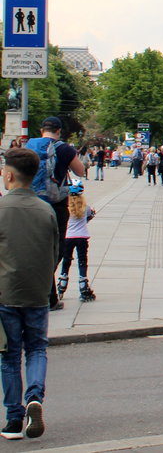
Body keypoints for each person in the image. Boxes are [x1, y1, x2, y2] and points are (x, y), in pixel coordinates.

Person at [0, 147, 59, 440]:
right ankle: (35, 398)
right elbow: (54, 253)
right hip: (36, 293)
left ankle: (13, 418)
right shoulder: (46, 210)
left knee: (9, 356)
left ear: (8, 175)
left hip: (5, 294)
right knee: (36, 349)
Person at [25, 117, 84, 311]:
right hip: (57, 205)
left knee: (33, 246)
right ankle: (44, 292)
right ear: (59, 131)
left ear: (42, 130)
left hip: (31, 203)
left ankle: (49, 296)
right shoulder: (65, 148)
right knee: (55, 250)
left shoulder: (29, 146)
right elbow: (80, 171)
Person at [57, 184, 96, 303]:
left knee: (66, 260)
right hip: (82, 237)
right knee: (82, 261)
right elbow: (90, 216)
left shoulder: (66, 207)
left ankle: (62, 282)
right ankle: (83, 284)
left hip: (68, 237)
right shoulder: (86, 207)